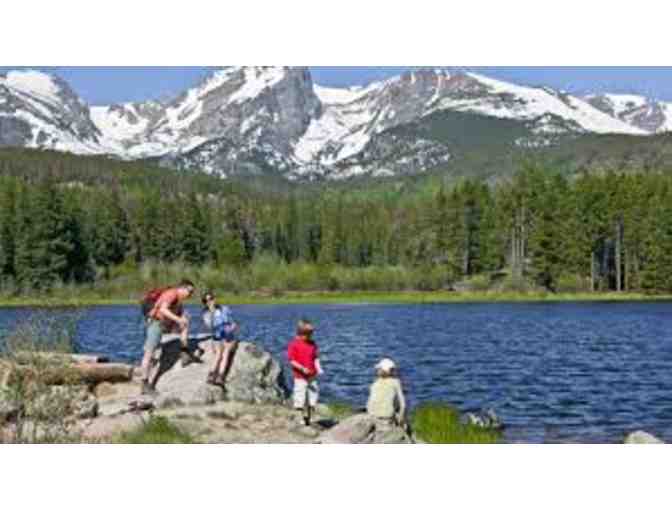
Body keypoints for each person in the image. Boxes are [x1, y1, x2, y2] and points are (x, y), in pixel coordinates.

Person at [140, 279, 195, 395]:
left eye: (192, 293)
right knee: (149, 354)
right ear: (182, 288)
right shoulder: (172, 294)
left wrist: (182, 319)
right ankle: (145, 384)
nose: (191, 295)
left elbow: (179, 316)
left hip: (166, 324)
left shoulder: (179, 300)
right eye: (189, 291)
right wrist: (178, 319)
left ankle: (184, 351)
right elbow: (163, 309)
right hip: (156, 323)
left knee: (186, 320)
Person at [287, 319, 323, 426]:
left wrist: (319, 368)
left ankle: (310, 417)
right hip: (300, 376)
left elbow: (316, 357)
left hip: (312, 375)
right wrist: (302, 368)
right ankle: (300, 418)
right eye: (308, 334)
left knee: (313, 396)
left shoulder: (312, 344)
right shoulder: (294, 344)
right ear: (300, 333)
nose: (310, 336)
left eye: (311, 334)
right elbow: (292, 361)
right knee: (300, 397)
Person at [201, 291, 239, 386]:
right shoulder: (206, 314)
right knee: (218, 355)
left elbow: (234, 323)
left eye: (211, 299)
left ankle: (220, 376)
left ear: (214, 299)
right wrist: (212, 313)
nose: (210, 302)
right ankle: (211, 375)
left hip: (228, 334)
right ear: (205, 303)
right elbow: (209, 327)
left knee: (225, 354)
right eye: (207, 300)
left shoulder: (224, 309)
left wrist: (231, 328)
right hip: (217, 335)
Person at [366, 358, 407, 428]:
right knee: (405, 424)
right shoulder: (396, 382)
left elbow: (370, 402)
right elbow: (403, 405)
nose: (377, 370)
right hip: (387, 417)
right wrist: (401, 418)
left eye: (379, 369)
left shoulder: (375, 383)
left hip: (372, 416)